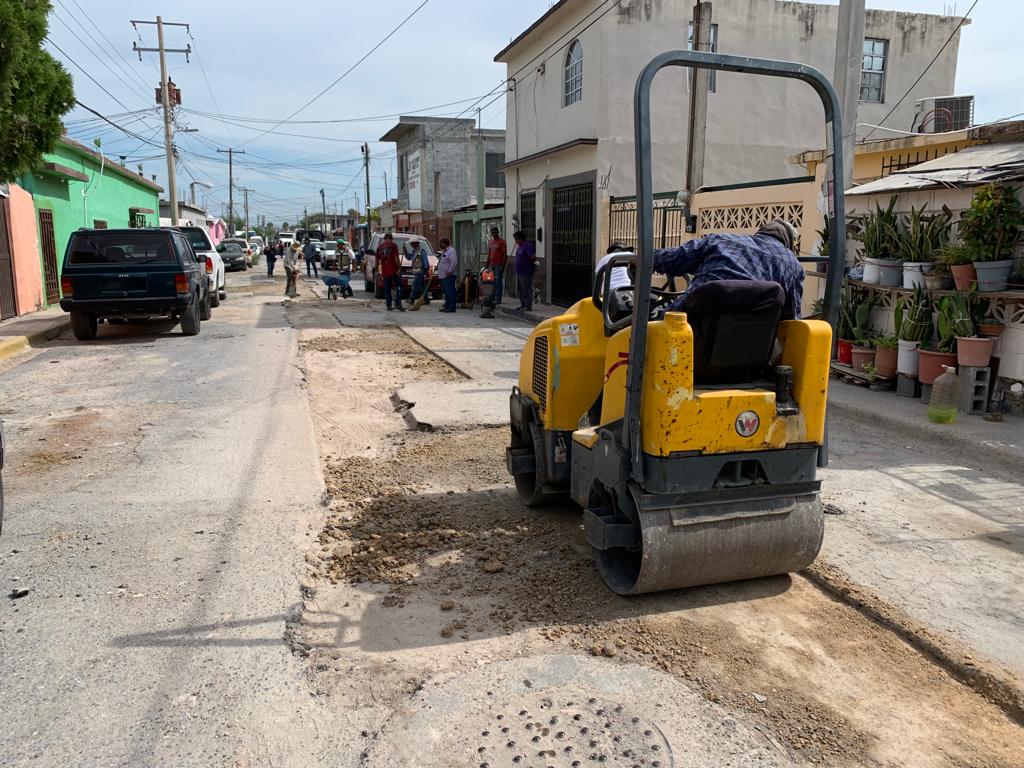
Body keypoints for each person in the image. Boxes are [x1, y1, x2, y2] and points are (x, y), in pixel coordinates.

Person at [652, 219, 804, 319]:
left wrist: (643, 260)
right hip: (748, 353)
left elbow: (674, 258)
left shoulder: (721, 241)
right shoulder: (793, 265)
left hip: (685, 329)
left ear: (761, 232)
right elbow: (791, 319)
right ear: (788, 243)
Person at [377, 232, 404, 311]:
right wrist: (399, 267)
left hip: (385, 271)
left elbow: (377, 261)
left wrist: (376, 270)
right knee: (399, 287)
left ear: (384, 239)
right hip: (394, 270)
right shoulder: (393, 245)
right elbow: (396, 258)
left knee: (387, 289)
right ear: (391, 238)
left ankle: (389, 305)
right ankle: (397, 303)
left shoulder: (379, 248)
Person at [512, 231, 537, 311]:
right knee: (520, 289)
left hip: (526, 271)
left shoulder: (527, 246)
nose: (516, 241)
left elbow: (532, 257)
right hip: (519, 271)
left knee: (526, 288)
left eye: (516, 239)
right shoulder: (520, 246)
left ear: (521, 239)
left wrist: (533, 262)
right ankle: (523, 304)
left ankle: (527, 305)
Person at [486, 226, 507, 305]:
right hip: (492, 264)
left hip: (499, 264)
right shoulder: (491, 242)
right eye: (492, 233)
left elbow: (504, 254)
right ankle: (492, 297)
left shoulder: (502, 242)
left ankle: (498, 298)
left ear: (498, 233)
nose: (494, 234)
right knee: (492, 281)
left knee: (498, 281)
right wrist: (487, 264)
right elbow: (489, 254)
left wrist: (503, 265)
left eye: (495, 233)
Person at [436, 237, 458, 313]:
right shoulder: (444, 251)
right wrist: (437, 266)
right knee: (445, 292)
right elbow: (443, 261)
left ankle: (452, 307)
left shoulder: (451, 251)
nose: (440, 245)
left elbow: (454, 262)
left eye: (440, 243)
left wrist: (450, 271)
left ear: (444, 243)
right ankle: (447, 305)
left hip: (449, 275)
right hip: (443, 275)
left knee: (450, 291)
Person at [407, 239, 431, 305]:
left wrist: (426, 269)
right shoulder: (414, 251)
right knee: (422, 286)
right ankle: (426, 299)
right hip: (416, 270)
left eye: (412, 244)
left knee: (415, 285)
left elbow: (425, 260)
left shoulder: (421, 251)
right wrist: (405, 251)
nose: (411, 245)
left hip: (420, 271)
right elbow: (409, 258)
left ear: (416, 244)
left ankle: (412, 299)